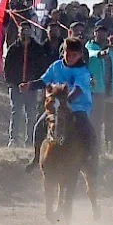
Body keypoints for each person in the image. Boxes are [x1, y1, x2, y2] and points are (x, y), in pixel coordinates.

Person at [24, 34, 96, 164]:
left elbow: (78, 90)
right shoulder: (56, 66)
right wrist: (30, 85)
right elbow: (44, 80)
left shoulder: (83, 71)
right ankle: (36, 157)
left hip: (78, 107)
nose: (70, 57)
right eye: (68, 54)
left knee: (87, 130)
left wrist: (66, 101)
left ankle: (89, 159)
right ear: (63, 52)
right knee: (39, 126)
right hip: (56, 106)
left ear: (80, 55)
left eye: (74, 55)